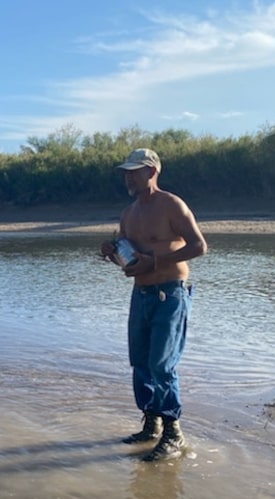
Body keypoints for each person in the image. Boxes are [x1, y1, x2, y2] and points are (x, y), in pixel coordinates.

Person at [101, 148, 208, 461]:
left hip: (171, 293)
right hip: (141, 294)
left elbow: (199, 246)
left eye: (134, 171)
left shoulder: (171, 204)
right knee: (140, 362)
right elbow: (129, 259)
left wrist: (156, 260)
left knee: (162, 365)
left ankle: (173, 433)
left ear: (152, 171)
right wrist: (112, 253)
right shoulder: (128, 213)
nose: (128, 178)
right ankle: (151, 423)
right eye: (126, 172)